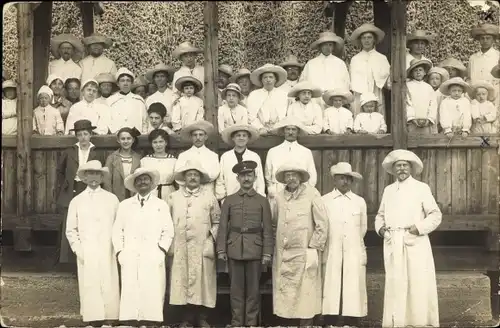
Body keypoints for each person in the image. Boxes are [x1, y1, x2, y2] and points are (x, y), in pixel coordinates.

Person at [375, 149, 441, 328]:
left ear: (411, 168)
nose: (402, 169)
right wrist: (381, 230)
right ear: (393, 169)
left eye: (405, 165)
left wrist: (417, 228)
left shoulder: (421, 188)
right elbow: (380, 215)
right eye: (398, 166)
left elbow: (435, 215)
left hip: (415, 241)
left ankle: (419, 323)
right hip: (393, 240)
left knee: (417, 282)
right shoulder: (389, 190)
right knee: (396, 283)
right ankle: (396, 323)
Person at [112, 167, 174, 326]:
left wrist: (161, 250)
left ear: (151, 183)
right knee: (131, 286)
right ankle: (131, 320)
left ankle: (151, 320)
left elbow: (168, 231)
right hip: (130, 253)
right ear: (134, 184)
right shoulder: (125, 205)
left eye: (145, 179)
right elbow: (117, 230)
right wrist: (120, 252)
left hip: (152, 253)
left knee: (152, 286)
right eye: (138, 180)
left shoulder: (161, 205)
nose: (142, 182)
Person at [216, 160, 273, 327]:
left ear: (255, 177)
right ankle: (236, 323)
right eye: (243, 175)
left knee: (253, 291)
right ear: (237, 178)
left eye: (249, 175)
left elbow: (268, 229)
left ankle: (251, 323)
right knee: (236, 290)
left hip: (255, 249)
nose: (246, 178)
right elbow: (222, 227)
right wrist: (221, 249)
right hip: (234, 248)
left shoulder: (262, 201)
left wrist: (267, 252)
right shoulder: (229, 200)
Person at [271, 162, 328, 327]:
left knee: (306, 291)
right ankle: (288, 323)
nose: (291, 178)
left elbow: (322, 224)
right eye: (288, 175)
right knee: (286, 291)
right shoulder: (279, 196)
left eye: (294, 175)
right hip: (283, 253)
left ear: (301, 177)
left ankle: (306, 323)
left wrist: (313, 247)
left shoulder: (312, 194)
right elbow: (275, 222)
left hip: (305, 252)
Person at [65, 160, 120, 326]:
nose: (94, 177)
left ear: (102, 177)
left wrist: (117, 248)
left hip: (107, 248)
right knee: (89, 282)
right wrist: (78, 249)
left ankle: (110, 316)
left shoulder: (112, 199)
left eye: (97, 174)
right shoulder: (77, 201)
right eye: (90, 174)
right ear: (84, 178)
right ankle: (92, 317)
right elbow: (71, 229)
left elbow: (119, 226)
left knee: (109, 280)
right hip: (86, 249)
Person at [167, 161, 220, 328]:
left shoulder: (209, 197)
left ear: (200, 178)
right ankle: (186, 318)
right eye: (189, 174)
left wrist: (210, 240)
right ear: (184, 178)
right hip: (180, 246)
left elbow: (217, 222)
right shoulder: (173, 197)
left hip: (202, 247)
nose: (192, 177)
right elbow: (167, 222)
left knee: (203, 282)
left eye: (196, 175)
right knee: (182, 282)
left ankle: (202, 317)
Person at [321, 162, 367, 328]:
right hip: (331, 248)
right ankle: (330, 321)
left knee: (352, 284)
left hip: (353, 248)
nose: (345, 182)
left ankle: (351, 321)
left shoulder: (359, 201)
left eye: (348, 179)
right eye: (341, 178)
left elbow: (363, 227)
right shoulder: (324, 201)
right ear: (334, 180)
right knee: (331, 284)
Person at [57, 119, 103, 263]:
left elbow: (101, 172)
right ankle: (68, 260)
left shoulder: (97, 152)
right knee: (71, 222)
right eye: (80, 134)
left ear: (91, 135)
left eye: (86, 134)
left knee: (89, 222)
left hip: (89, 188)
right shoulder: (69, 151)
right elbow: (60, 171)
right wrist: (65, 185)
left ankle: (89, 258)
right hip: (72, 189)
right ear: (76, 136)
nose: (83, 137)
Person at [265, 117, 318, 201]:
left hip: (301, 192)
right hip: (278, 192)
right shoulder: (273, 151)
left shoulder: (306, 152)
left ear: (298, 132)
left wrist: (306, 192)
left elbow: (312, 175)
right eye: (288, 129)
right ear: (283, 131)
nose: (290, 132)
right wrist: (272, 190)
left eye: (293, 129)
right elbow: (268, 175)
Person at [300, 31, 350, 109]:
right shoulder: (311, 64)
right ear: (320, 46)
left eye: (330, 45)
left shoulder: (340, 64)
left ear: (333, 47)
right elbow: (303, 83)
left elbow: (346, 82)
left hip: (333, 101)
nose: (327, 47)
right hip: (315, 101)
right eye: (325, 44)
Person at [349, 23, 391, 117]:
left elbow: (388, 81)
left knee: (377, 118)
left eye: (369, 37)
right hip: (359, 94)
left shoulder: (381, 58)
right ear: (360, 40)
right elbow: (351, 81)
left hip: (375, 92)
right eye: (364, 38)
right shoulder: (355, 59)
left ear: (374, 40)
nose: (366, 40)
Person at [216, 125, 265, 201]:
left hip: (252, 200)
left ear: (248, 138)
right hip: (230, 198)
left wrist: (259, 199)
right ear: (233, 138)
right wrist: (223, 198)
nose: (241, 138)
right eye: (238, 135)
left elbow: (260, 180)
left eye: (244, 136)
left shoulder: (254, 156)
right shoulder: (225, 157)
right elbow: (220, 180)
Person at [174, 121, 220, 194]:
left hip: (207, 191)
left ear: (206, 137)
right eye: (195, 135)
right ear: (191, 137)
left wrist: (193, 179)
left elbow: (214, 174)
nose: (198, 138)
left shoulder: (213, 155)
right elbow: (178, 175)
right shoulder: (183, 155)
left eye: (201, 135)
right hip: (187, 192)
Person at [247, 64, 289, 135]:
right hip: (260, 131)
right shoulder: (254, 95)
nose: (268, 80)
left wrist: (277, 127)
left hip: (279, 130)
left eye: (271, 77)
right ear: (261, 80)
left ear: (275, 79)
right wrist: (260, 127)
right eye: (265, 77)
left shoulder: (283, 95)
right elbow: (251, 116)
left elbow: (286, 114)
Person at [103, 127, 142, 201]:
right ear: (118, 140)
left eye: (128, 138)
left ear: (133, 140)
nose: (126, 141)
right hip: (117, 197)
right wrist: (111, 198)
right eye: (123, 139)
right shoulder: (112, 158)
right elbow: (106, 181)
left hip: (134, 197)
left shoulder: (138, 158)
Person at [107, 68, 149, 134]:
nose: (125, 83)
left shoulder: (139, 100)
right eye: (122, 81)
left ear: (132, 83)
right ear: (118, 83)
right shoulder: (110, 101)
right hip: (116, 137)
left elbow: (145, 122)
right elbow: (107, 122)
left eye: (128, 81)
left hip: (136, 138)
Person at [140, 129, 178, 203]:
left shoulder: (174, 161)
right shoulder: (145, 160)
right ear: (151, 144)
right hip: (150, 193)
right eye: (155, 142)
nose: (158, 145)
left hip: (169, 193)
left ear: (166, 143)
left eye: (161, 141)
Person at [468, 23, 500, 108]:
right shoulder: (473, 58)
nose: (485, 41)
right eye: (482, 38)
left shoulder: (498, 56)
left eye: (488, 38)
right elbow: (470, 78)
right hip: (477, 97)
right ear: (479, 40)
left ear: (493, 40)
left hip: (495, 95)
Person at [406, 59, 438, 134]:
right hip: (413, 121)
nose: (418, 72)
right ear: (412, 73)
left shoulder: (428, 87)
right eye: (415, 70)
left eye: (420, 70)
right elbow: (407, 102)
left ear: (424, 73)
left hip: (426, 120)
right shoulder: (408, 86)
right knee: (412, 140)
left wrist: (429, 119)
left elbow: (433, 104)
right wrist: (411, 118)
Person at [145, 63, 176, 127]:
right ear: (154, 79)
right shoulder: (150, 99)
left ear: (167, 78)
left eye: (162, 76)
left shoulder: (174, 96)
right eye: (157, 76)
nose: (160, 79)